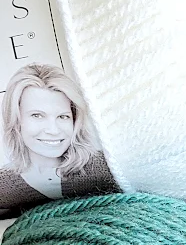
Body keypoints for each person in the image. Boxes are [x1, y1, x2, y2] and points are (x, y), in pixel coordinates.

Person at [0, 62, 117, 208]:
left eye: (63, 117)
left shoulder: (109, 167)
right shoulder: (3, 186)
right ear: (16, 120)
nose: (53, 130)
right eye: (37, 115)